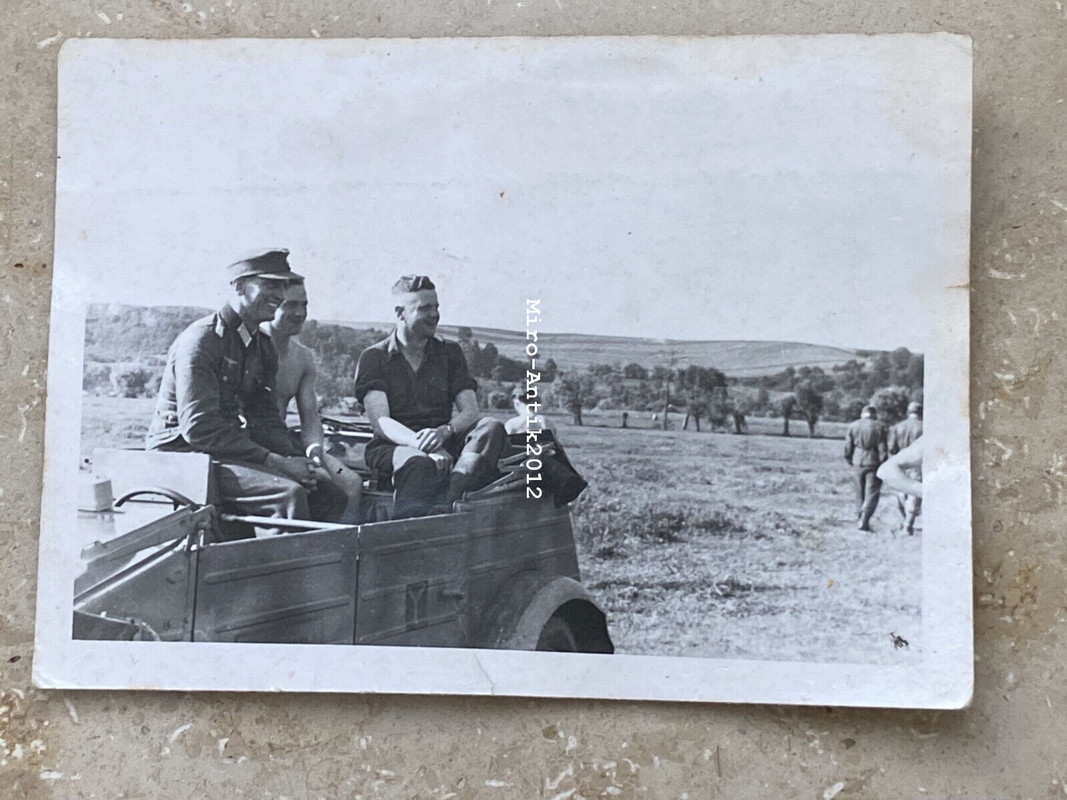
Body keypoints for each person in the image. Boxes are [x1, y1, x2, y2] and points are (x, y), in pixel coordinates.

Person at [146, 249, 346, 528]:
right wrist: (275, 462)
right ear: (239, 286)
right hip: (181, 457)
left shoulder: (261, 347)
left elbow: (265, 420)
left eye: (282, 286)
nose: (279, 294)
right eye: (270, 284)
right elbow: (198, 428)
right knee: (288, 495)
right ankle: (283, 572)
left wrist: (302, 462)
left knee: (329, 492)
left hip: (221, 454)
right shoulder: (202, 340)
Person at [354, 275, 507, 518]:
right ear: (400, 313)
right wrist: (422, 446)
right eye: (425, 308)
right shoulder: (375, 357)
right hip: (393, 445)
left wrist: (444, 432)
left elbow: (470, 412)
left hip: (442, 439)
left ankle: (446, 505)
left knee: (491, 428)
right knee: (419, 464)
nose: (435, 314)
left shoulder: (450, 353)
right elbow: (381, 423)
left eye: (436, 307)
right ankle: (403, 537)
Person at [262, 278, 363, 524]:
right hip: (261, 449)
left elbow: (310, 417)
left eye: (304, 305)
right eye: (291, 305)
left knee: (352, 483)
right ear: (272, 305)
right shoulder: (252, 347)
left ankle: (340, 553)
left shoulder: (303, 357)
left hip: (289, 444)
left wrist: (315, 447)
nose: (300, 313)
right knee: (319, 486)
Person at [844, 405, 888, 531]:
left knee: (859, 491)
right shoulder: (879, 426)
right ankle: (865, 517)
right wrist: (883, 462)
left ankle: (860, 516)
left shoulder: (853, 425)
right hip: (873, 461)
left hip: (857, 460)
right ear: (874, 414)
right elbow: (883, 448)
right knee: (872, 492)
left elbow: (848, 446)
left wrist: (849, 458)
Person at [887, 401, 923, 534]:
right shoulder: (927, 427)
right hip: (918, 465)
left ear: (908, 412)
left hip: (901, 464)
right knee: (914, 494)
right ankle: (908, 524)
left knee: (901, 493)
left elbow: (891, 448)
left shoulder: (898, 427)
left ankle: (906, 521)